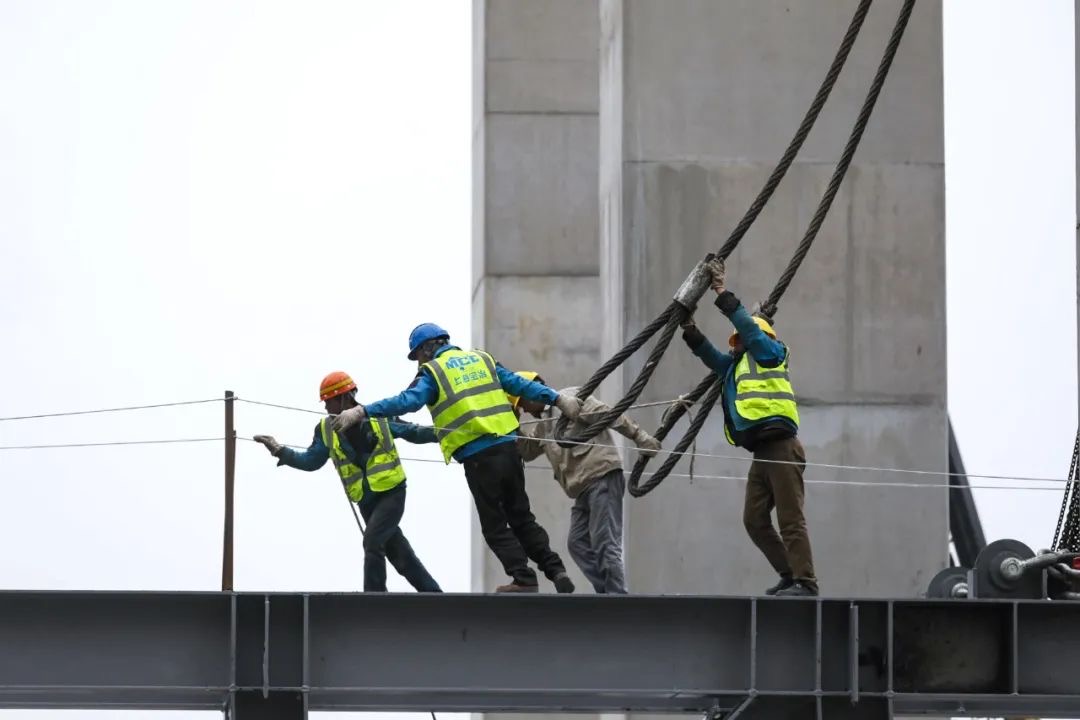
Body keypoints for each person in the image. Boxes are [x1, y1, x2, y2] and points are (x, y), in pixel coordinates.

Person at [331, 323, 584, 594]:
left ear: (426, 349)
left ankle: (524, 578)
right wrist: (557, 399)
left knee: (495, 526)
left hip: (478, 458)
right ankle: (556, 570)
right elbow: (519, 384)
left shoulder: (433, 372)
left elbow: (407, 401)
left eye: (417, 357)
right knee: (522, 518)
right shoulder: (482, 359)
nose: (418, 363)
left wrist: (362, 411)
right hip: (509, 451)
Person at [680, 259, 818, 597]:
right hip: (762, 451)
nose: (735, 343)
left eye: (740, 338)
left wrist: (722, 293)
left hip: (782, 446)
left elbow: (751, 331)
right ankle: (789, 573)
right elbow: (711, 357)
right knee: (754, 519)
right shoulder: (737, 365)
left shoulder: (772, 352)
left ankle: (806, 582)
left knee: (790, 518)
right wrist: (689, 328)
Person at [253, 371, 441, 594]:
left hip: (391, 493)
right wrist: (280, 451)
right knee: (398, 553)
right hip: (366, 501)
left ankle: (373, 598)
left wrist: (443, 433)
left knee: (372, 542)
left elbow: (413, 432)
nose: (326, 407)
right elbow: (311, 461)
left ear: (345, 398)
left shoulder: (377, 417)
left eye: (329, 401)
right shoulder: (326, 430)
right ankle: (434, 595)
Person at [510, 371, 661, 594]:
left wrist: (640, 437)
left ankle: (617, 598)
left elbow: (608, 415)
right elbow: (527, 451)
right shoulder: (544, 426)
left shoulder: (570, 399)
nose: (524, 411)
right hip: (583, 490)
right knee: (577, 544)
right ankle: (606, 593)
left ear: (532, 392)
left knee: (605, 543)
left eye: (522, 404)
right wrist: (511, 422)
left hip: (601, 476)